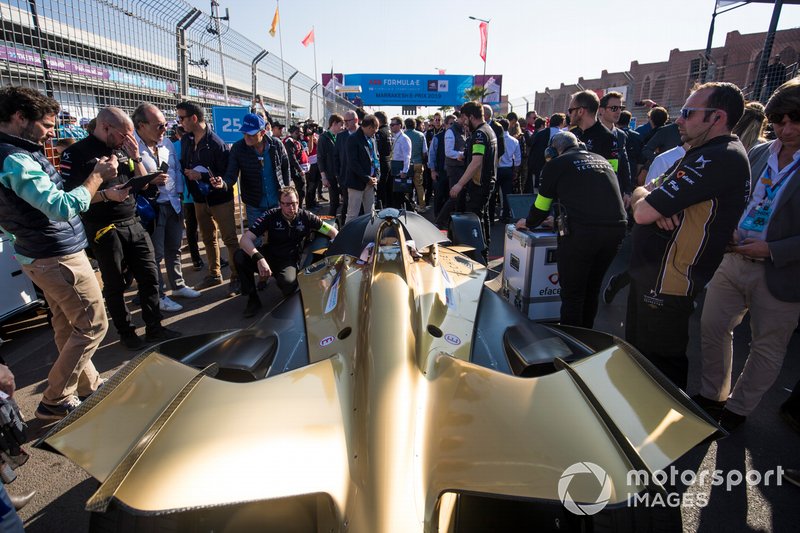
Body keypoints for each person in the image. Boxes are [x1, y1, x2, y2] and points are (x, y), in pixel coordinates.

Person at [0, 86, 113, 420]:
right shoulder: (15, 158)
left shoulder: (17, 153)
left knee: (67, 322)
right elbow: (60, 206)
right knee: (93, 324)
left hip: (39, 254)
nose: (52, 133)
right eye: (47, 125)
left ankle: (87, 384)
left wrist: (102, 195)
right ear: (20, 117)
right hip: (56, 255)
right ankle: (55, 399)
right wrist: (96, 178)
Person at [627, 82, 749, 390]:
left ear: (716, 117)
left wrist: (648, 200)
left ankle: (667, 436)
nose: (679, 120)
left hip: (668, 285)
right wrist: (648, 197)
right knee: (639, 365)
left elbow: (641, 212)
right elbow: (645, 191)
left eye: (687, 112)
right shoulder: (701, 152)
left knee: (658, 376)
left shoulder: (718, 156)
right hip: (654, 280)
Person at [696, 77, 800, 430]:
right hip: (734, 257)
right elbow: (737, 198)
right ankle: (713, 397)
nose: (785, 129)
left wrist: (772, 248)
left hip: (783, 271)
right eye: (779, 121)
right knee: (712, 326)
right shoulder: (757, 151)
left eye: (794, 120)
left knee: (767, 347)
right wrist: (728, 230)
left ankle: (738, 410)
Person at [61, 106, 181, 351]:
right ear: (106, 127)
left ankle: (154, 327)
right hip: (104, 228)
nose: (127, 139)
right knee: (115, 285)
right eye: (123, 134)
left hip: (133, 221)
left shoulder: (123, 149)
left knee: (150, 277)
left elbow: (145, 187)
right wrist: (105, 194)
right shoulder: (76, 153)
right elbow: (71, 198)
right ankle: (127, 333)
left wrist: (136, 158)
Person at [516, 131, 626, 328]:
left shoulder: (555, 165)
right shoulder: (602, 160)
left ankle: (572, 342)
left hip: (582, 234)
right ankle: (587, 339)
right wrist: (559, 218)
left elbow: (541, 206)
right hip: (615, 231)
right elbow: (590, 197)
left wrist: (529, 222)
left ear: (552, 151)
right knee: (592, 289)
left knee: (573, 293)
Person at [132, 103, 200, 313]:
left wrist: (178, 195)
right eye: (159, 126)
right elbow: (129, 181)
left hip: (173, 204)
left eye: (165, 125)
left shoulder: (167, 144)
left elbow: (176, 171)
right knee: (155, 255)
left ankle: (178, 285)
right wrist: (150, 181)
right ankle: (158, 294)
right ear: (141, 126)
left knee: (174, 249)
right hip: (151, 209)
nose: (164, 130)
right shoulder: (131, 147)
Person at [234, 186, 337, 317]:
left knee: (289, 285)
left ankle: (280, 281)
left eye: (294, 203)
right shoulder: (270, 215)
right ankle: (252, 299)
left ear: (298, 201)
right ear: (280, 204)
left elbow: (332, 231)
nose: (291, 208)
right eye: (286, 204)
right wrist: (259, 258)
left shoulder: (306, 216)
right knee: (239, 256)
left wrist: (335, 249)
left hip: (288, 260)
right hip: (269, 255)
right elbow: (245, 240)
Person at [177, 101, 239, 295]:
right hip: (198, 198)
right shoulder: (186, 140)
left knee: (229, 238)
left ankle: (237, 278)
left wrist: (201, 176)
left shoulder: (216, 144)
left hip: (220, 199)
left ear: (194, 118)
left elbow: (225, 174)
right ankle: (214, 274)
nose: (180, 122)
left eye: (182, 118)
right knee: (208, 237)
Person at [447, 101, 497, 261]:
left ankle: (479, 258)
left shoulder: (480, 134)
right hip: (487, 182)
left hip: (479, 185)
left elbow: (477, 161)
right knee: (483, 219)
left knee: (476, 221)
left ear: (470, 116)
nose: (462, 122)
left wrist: (459, 184)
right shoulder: (488, 130)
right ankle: (484, 254)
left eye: (463, 118)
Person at [224, 113, 289, 235]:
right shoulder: (238, 148)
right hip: (254, 204)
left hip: (276, 201)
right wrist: (222, 184)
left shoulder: (276, 145)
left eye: (251, 134)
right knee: (256, 238)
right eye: (244, 133)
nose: (247, 137)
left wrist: (286, 191)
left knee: (279, 236)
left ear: (263, 132)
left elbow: (285, 168)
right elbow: (231, 175)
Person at [344, 114, 380, 224]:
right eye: (374, 130)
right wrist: (366, 178)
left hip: (371, 183)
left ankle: (370, 237)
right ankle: (346, 239)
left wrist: (376, 177)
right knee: (352, 214)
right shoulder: (353, 139)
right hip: (356, 183)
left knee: (371, 213)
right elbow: (353, 162)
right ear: (369, 127)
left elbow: (376, 158)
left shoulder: (372, 139)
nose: (375, 133)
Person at [491, 118, 521, 223]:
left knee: (493, 194)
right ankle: (505, 215)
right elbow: (518, 159)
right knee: (507, 193)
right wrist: (515, 172)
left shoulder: (495, 139)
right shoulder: (515, 141)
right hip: (508, 169)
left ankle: (491, 215)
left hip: (496, 169)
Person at [318, 113, 344, 218]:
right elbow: (320, 158)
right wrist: (323, 177)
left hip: (340, 174)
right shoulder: (324, 138)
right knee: (334, 203)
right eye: (340, 125)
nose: (342, 127)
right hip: (330, 175)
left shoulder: (339, 137)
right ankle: (330, 227)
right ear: (334, 124)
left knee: (343, 202)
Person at [404, 117, 428, 212]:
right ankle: (422, 206)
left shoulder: (403, 135)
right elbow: (425, 151)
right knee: (419, 186)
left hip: (406, 164)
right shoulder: (421, 135)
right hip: (418, 163)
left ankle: (407, 206)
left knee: (406, 186)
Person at [389, 115, 412, 209]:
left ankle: (411, 210)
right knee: (396, 194)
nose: (391, 126)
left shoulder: (404, 138)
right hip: (394, 167)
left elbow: (407, 156)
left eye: (393, 124)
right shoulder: (395, 137)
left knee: (400, 194)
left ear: (399, 125)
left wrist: (405, 170)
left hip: (400, 168)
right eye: (390, 124)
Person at [284, 125, 307, 207]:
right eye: (298, 132)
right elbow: (292, 158)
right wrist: (300, 170)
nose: (300, 134)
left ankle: (299, 207)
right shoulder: (289, 141)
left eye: (301, 132)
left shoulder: (297, 141)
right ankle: (298, 208)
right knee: (300, 189)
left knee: (302, 189)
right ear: (293, 133)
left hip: (296, 168)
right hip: (292, 169)